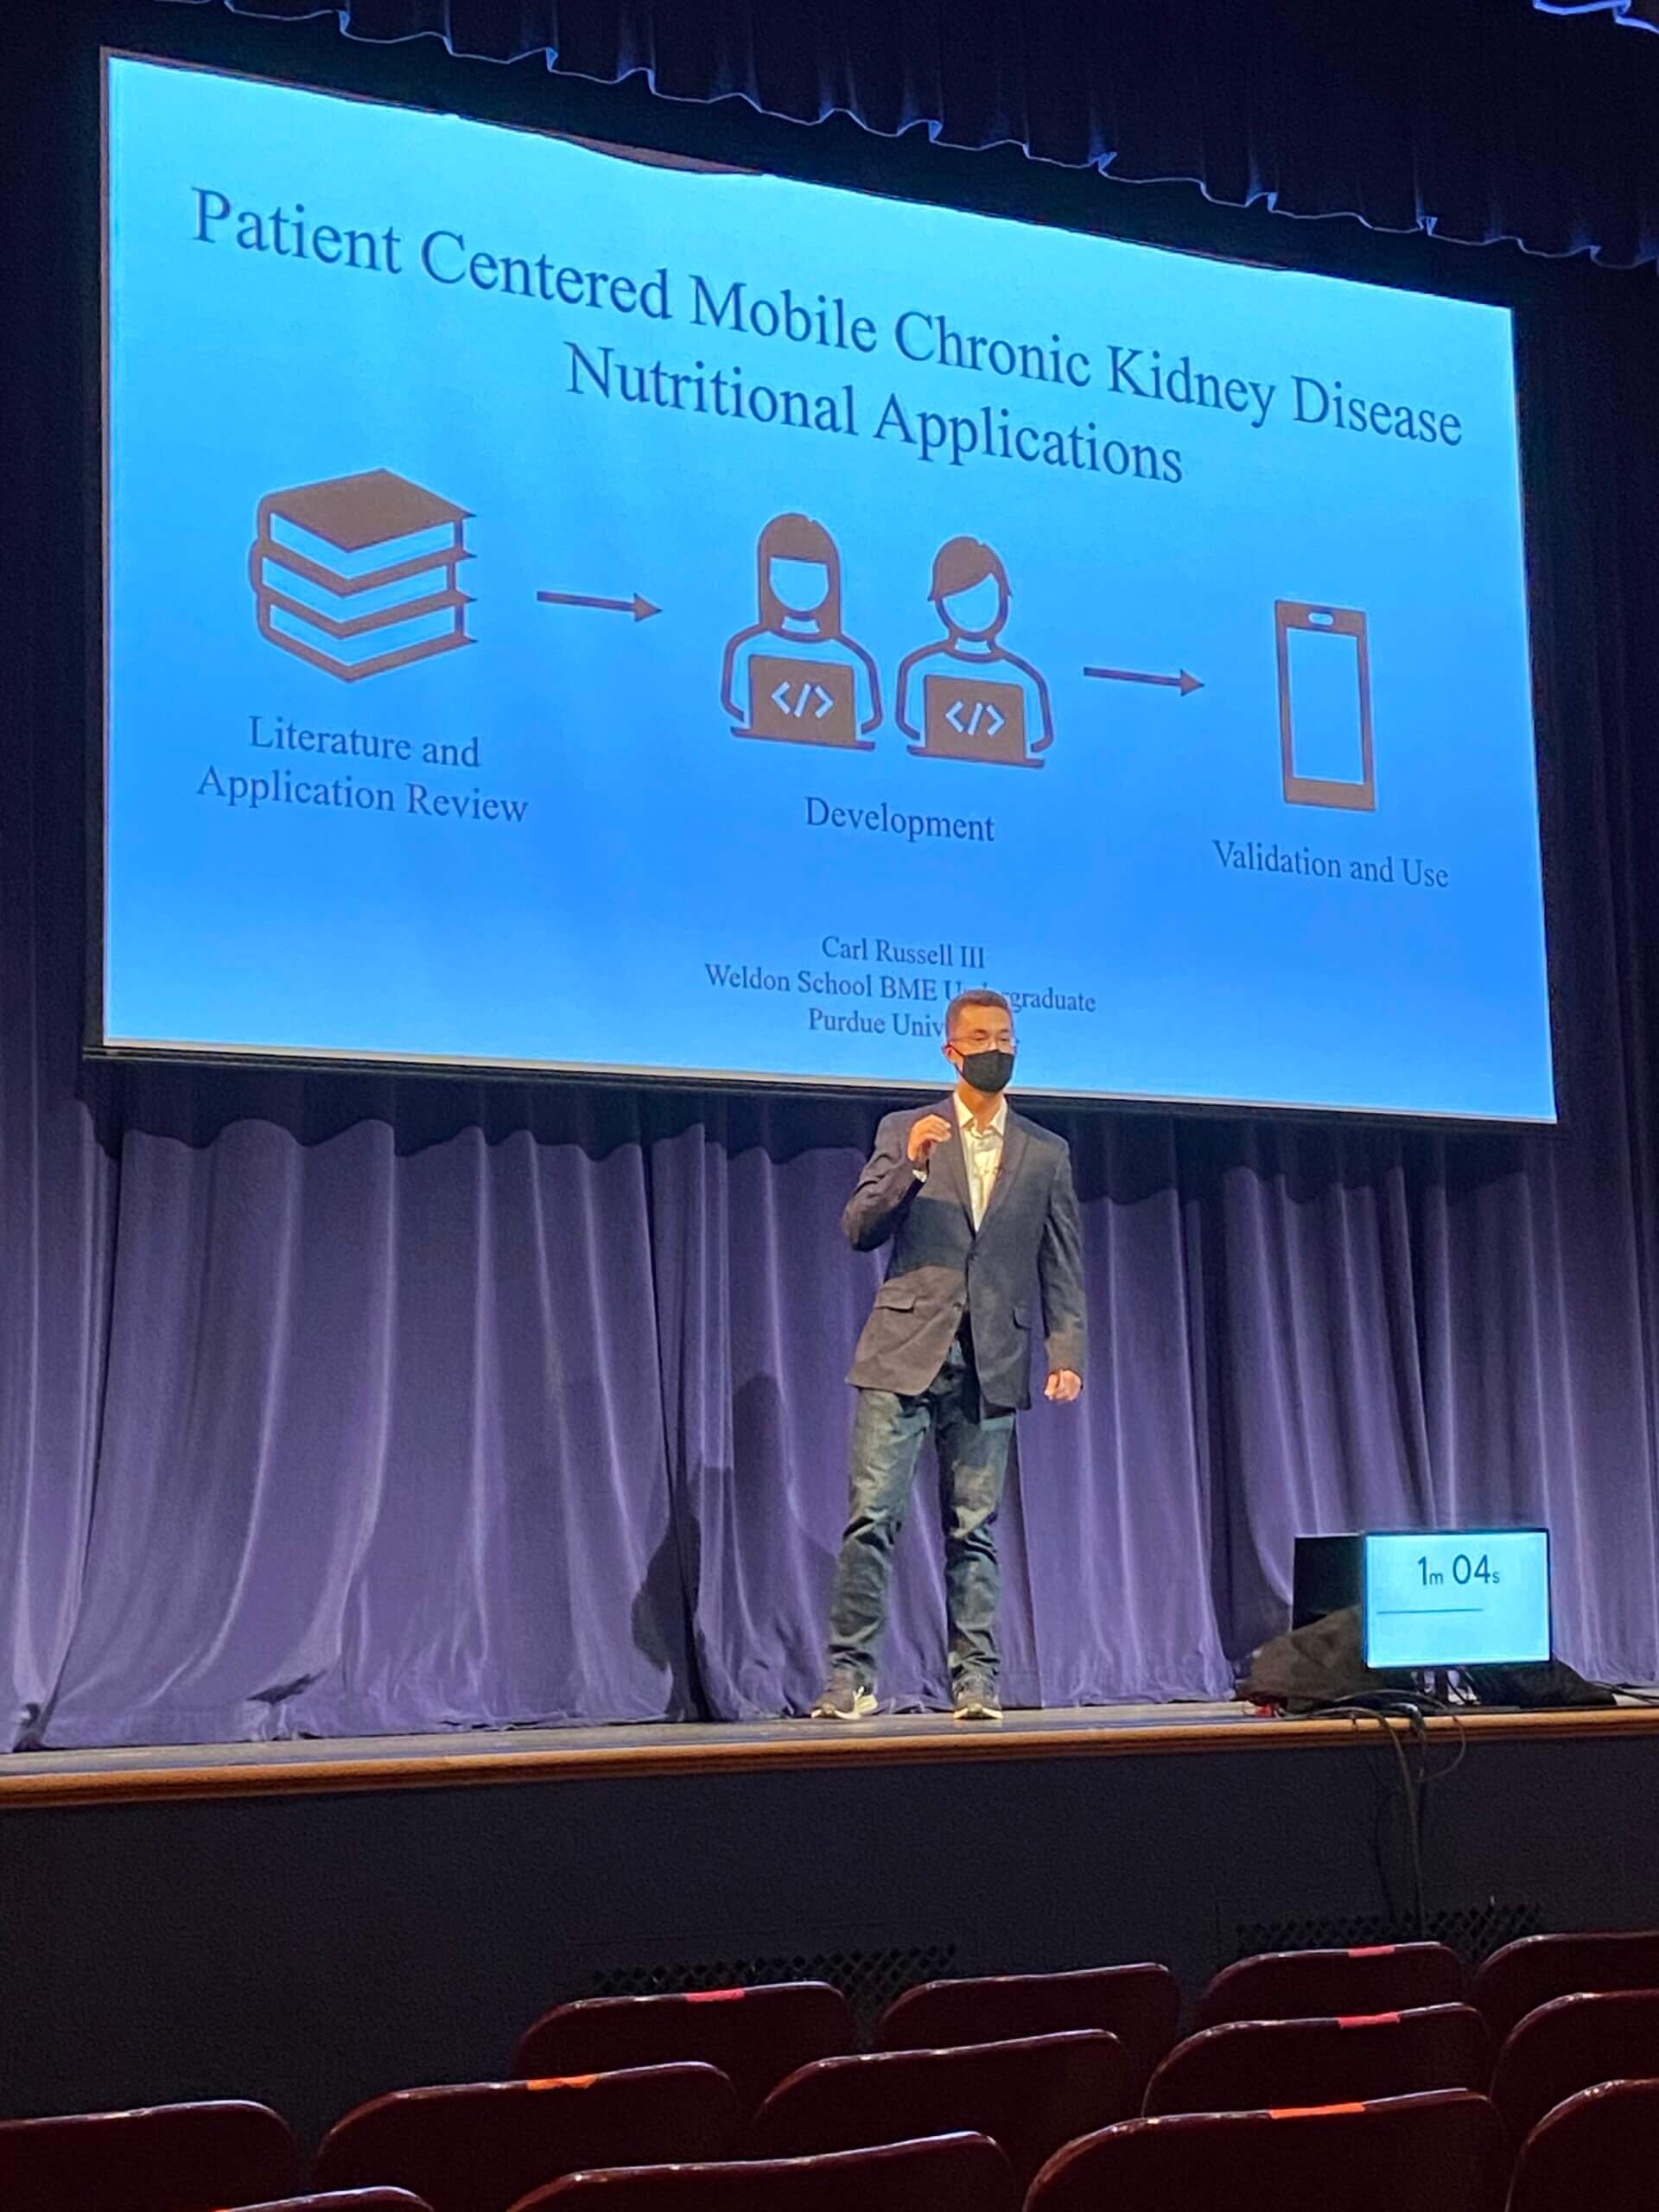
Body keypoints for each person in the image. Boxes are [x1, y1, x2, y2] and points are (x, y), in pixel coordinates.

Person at [813, 988, 1086, 1723]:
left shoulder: (1045, 1152)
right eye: (981, 1038)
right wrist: (909, 1166)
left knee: (974, 1529)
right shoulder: (906, 1129)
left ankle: (975, 1681)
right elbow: (858, 1229)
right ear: (951, 1052)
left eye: (1006, 1037)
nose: (996, 1048)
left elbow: (1062, 1261)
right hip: (903, 1351)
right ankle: (849, 1677)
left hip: (991, 1357)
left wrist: (1066, 1349)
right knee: (872, 1518)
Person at [721, 512, 881, 743]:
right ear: (767, 576)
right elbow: (733, 705)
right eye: (785, 572)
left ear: (831, 579)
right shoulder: (747, 648)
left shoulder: (852, 658)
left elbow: (870, 719)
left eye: (814, 573)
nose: (800, 583)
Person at [895, 536, 1053, 765]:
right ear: (941, 602)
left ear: (1002, 596)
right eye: (960, 599)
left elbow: (1040, 740)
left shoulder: (1024, 679)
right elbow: (909, 725)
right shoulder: (919, 669)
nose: (974, 609)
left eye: (984, 597)